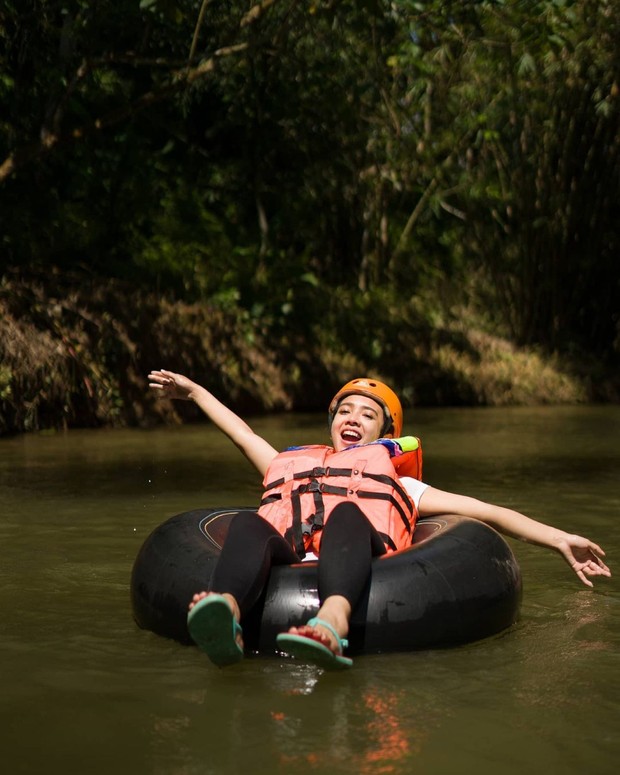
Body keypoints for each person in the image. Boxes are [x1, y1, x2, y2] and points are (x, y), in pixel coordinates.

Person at [148, 369, 611, 669]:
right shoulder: (287, 461)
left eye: (367, 414)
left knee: (348, 511)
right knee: (251, 523)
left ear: (386, 433)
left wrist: (559, 538)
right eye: (344, 410)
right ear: (331, 422)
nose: (352, 418)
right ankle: (224, 612)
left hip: (360, 550)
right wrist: (193, 392)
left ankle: (333, 621)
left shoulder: (403, 486)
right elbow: (241, 431)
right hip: (292, 556)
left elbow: (488, 512)